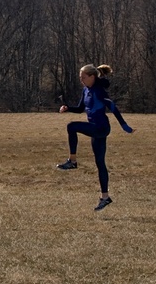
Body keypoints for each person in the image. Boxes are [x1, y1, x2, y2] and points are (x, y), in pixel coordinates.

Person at [57, 64, 134, 211]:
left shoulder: (98, 90)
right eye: (80, 78)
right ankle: (105, 198)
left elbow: (112, 107)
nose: (82, 80)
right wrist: (68, 108)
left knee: (71, 126)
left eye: (84, 78)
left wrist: (124, 125)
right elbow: (80, 109)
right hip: (94, 128)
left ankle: (72, 161)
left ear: (92, 77)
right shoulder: (86, 90)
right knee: (100, 163)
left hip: (101, 128)